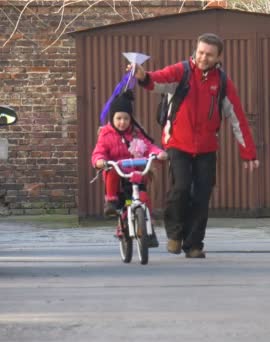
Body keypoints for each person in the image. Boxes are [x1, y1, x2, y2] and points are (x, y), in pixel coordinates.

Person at [130, 33, 260, 259]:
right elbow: (157, 80)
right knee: (180, 188)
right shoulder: (182, 72)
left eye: (209, 54)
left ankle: (194, 244)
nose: (203, 57)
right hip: (178, 143)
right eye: (200, 52)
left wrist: (248, 153)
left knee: (201, 195)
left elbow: (237, 118)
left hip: (207, 148)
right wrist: (143, 76)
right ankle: (174, 234)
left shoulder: (222, 83)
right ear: (195, 50)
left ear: (219, 56)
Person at [91, 90, 168, 219]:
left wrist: (158, 153)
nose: (122, 122)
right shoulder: (106, 134)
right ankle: (111, 201)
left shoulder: (136, 133)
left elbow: (148, 146)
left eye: (126, 118)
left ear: (131, 118)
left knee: (141, 198)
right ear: (112, 118)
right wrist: (100, 160)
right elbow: (99, 151)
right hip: (118, 176)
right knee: (121, 196)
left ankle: (147, 227)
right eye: (119, 118)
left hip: (134, 174)